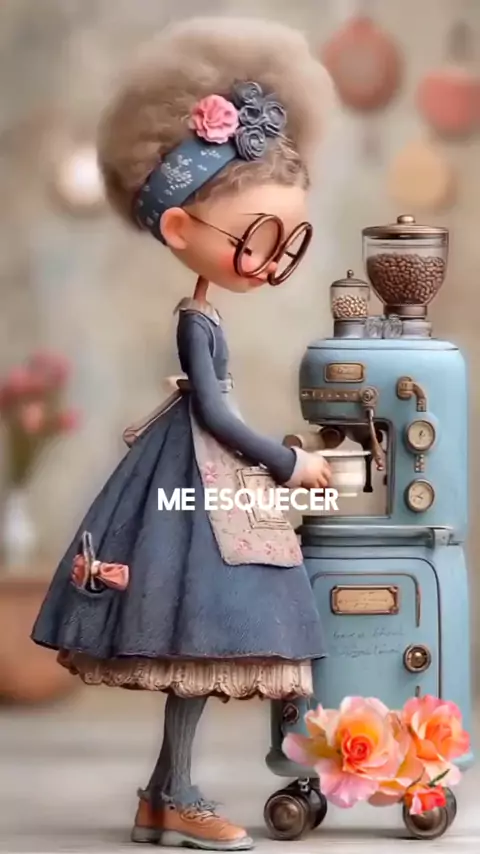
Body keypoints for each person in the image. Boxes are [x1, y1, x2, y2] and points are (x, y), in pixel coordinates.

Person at [31, 16, 333, 851]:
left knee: (205, 636)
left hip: (208, 476)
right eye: (257, 238)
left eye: (286, 245)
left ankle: (167, 793)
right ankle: (177, 791)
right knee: (199, 631)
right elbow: (214, 414)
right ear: (178, 230)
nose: (269, 263)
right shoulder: (195, 321)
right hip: (195, 484)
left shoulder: (207, 317)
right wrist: (288, 463)